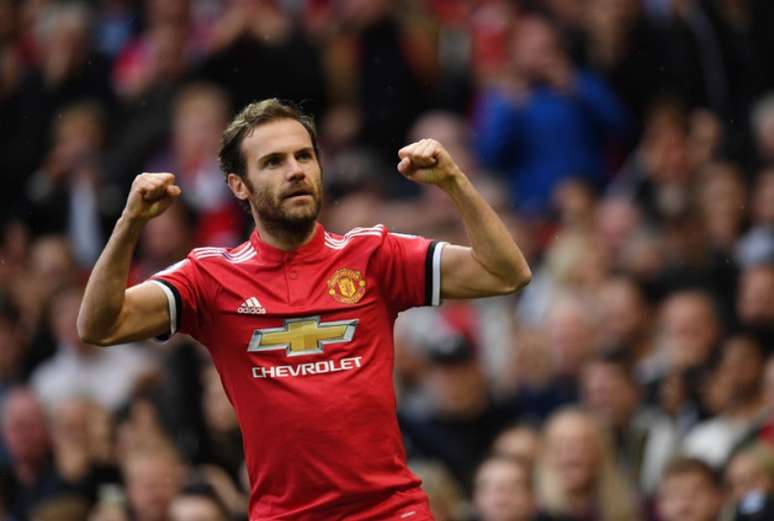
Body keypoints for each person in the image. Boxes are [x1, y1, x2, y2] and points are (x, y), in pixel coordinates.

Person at [77, 98, 532, 520]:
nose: (295, 170)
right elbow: (100, 324)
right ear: (239, 185)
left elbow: (505, 273)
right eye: (273, 162)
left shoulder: (374, 255)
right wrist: (130, 223)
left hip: (391, 511)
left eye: (304, 156)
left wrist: (454, 182)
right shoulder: (209, 278)